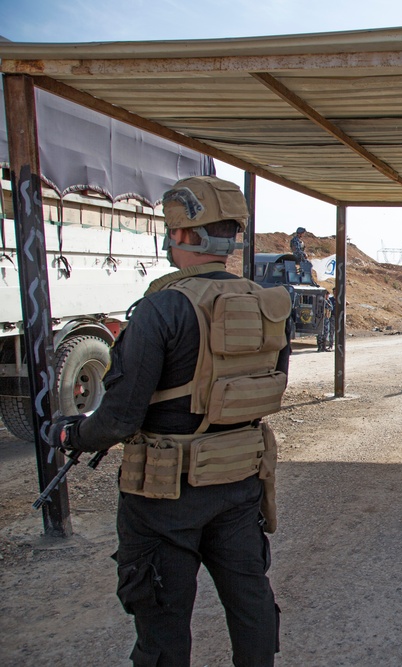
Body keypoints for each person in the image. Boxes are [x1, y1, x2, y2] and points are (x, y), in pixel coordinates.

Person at [49, 175, 292, 666]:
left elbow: (118, 419)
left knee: (162, 626)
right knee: (251, 608)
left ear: (182, 235)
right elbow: (266, 388)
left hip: (163, 498)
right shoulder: (270, 307)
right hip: (239, 483)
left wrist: (69, 432)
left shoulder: (162, 308)